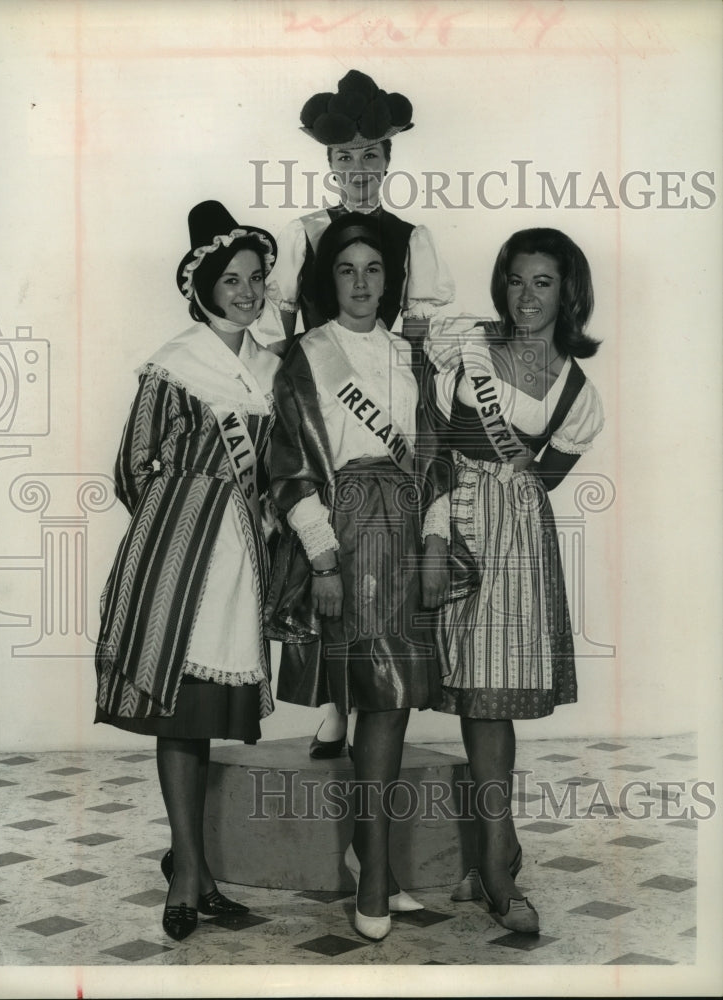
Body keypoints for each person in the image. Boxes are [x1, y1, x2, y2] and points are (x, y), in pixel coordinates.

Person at [94, 200, 283, 941]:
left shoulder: (272, 369)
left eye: (256, 278)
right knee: (178, 718)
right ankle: (187, 877)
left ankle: (195, 871)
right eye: (231, 279)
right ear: (202, 287)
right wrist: (178, 528)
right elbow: (131, 467)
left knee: (206, 716)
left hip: (241, 566)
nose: (246, 291)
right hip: (178, 562)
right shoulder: (173, 364)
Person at [264, 213, 451, 940]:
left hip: (405, 530)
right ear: (328, 280)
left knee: (393, 703)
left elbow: (434, 458)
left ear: (390, 281)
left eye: (374, 270)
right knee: (378, 696)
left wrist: (434, 544)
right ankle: (374, 875)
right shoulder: (306, 354)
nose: (362, 283)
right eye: (347, 270)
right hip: (345, 530)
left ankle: (375, 862)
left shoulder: (411, 358)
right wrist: (322, 557)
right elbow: (288, 466)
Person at [266, 67, 455, 759]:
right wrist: (288, 398)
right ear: (329, 165)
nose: (358, 169)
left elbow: (415, 337)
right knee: (323, 564)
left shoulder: (410, 236)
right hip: (320, 394)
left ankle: (372, 709)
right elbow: (281, 326)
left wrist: (406, 398)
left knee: (383, 587)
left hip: (383, 403)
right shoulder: (304, 231)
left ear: (387, 160)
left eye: (370, 155)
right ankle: (332, 708)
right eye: (345, 158)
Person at [423, 227, 605, 934]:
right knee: (460, 692)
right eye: (516, 279)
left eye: (543, 283)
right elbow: (431, 450)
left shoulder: (578, 392)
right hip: (447, 524)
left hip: (518, 544)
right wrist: (437, 536)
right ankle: (491, 854)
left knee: (489, 696)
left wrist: (507, 505)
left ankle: (495, 860)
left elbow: (539, 482)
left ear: (567, 293)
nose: (525, 295)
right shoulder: (465, 349)